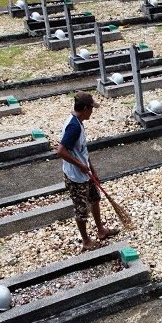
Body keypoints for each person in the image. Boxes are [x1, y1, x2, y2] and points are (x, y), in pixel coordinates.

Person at [57, 91, 117, 251]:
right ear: (84, 109)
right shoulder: (73, 127)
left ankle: (101, 230)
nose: (92, 111)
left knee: (95, 198)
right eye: (91, 108)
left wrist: (91, 168)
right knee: (81, 210)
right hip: (76, 177)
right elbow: (61, 151)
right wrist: (80, 166)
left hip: (85, 172)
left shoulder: (79, 122)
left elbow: (82, 150)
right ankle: (85, 240)